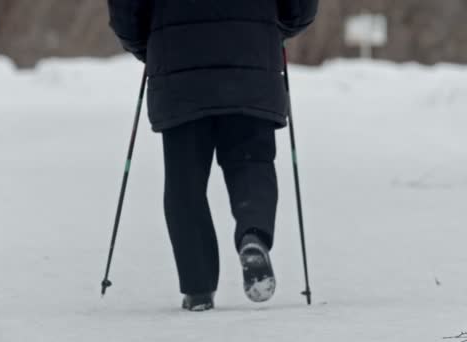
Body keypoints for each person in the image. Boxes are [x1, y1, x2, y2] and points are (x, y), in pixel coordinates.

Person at [108, 0, 318, 311]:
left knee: (185, 182)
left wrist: (146, 43)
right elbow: (300, 7)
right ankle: (253, 234)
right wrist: (278, 28)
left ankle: (198, 288)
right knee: (252, 163)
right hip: (252, 55)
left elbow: (126, 9)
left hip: (177, 60)